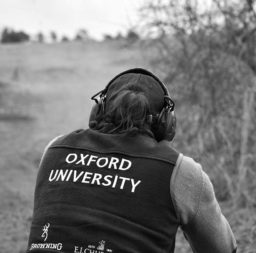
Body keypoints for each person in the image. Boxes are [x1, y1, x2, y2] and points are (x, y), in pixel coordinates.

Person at [27, 68, 237, 253]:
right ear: (166, 123)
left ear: (98, 111)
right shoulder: (180, 171)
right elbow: (223, 249)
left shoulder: (55, 149)